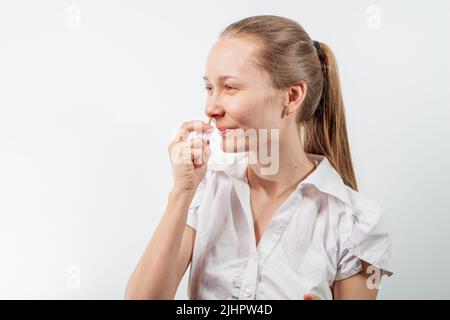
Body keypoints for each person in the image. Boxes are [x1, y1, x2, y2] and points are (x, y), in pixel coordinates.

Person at [125, 15, 393, 300]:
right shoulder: (207, 190)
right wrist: (181, 191)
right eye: (209, 88)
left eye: (230, 87)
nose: (210, 108)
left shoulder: (354, 222)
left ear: (291, 97)